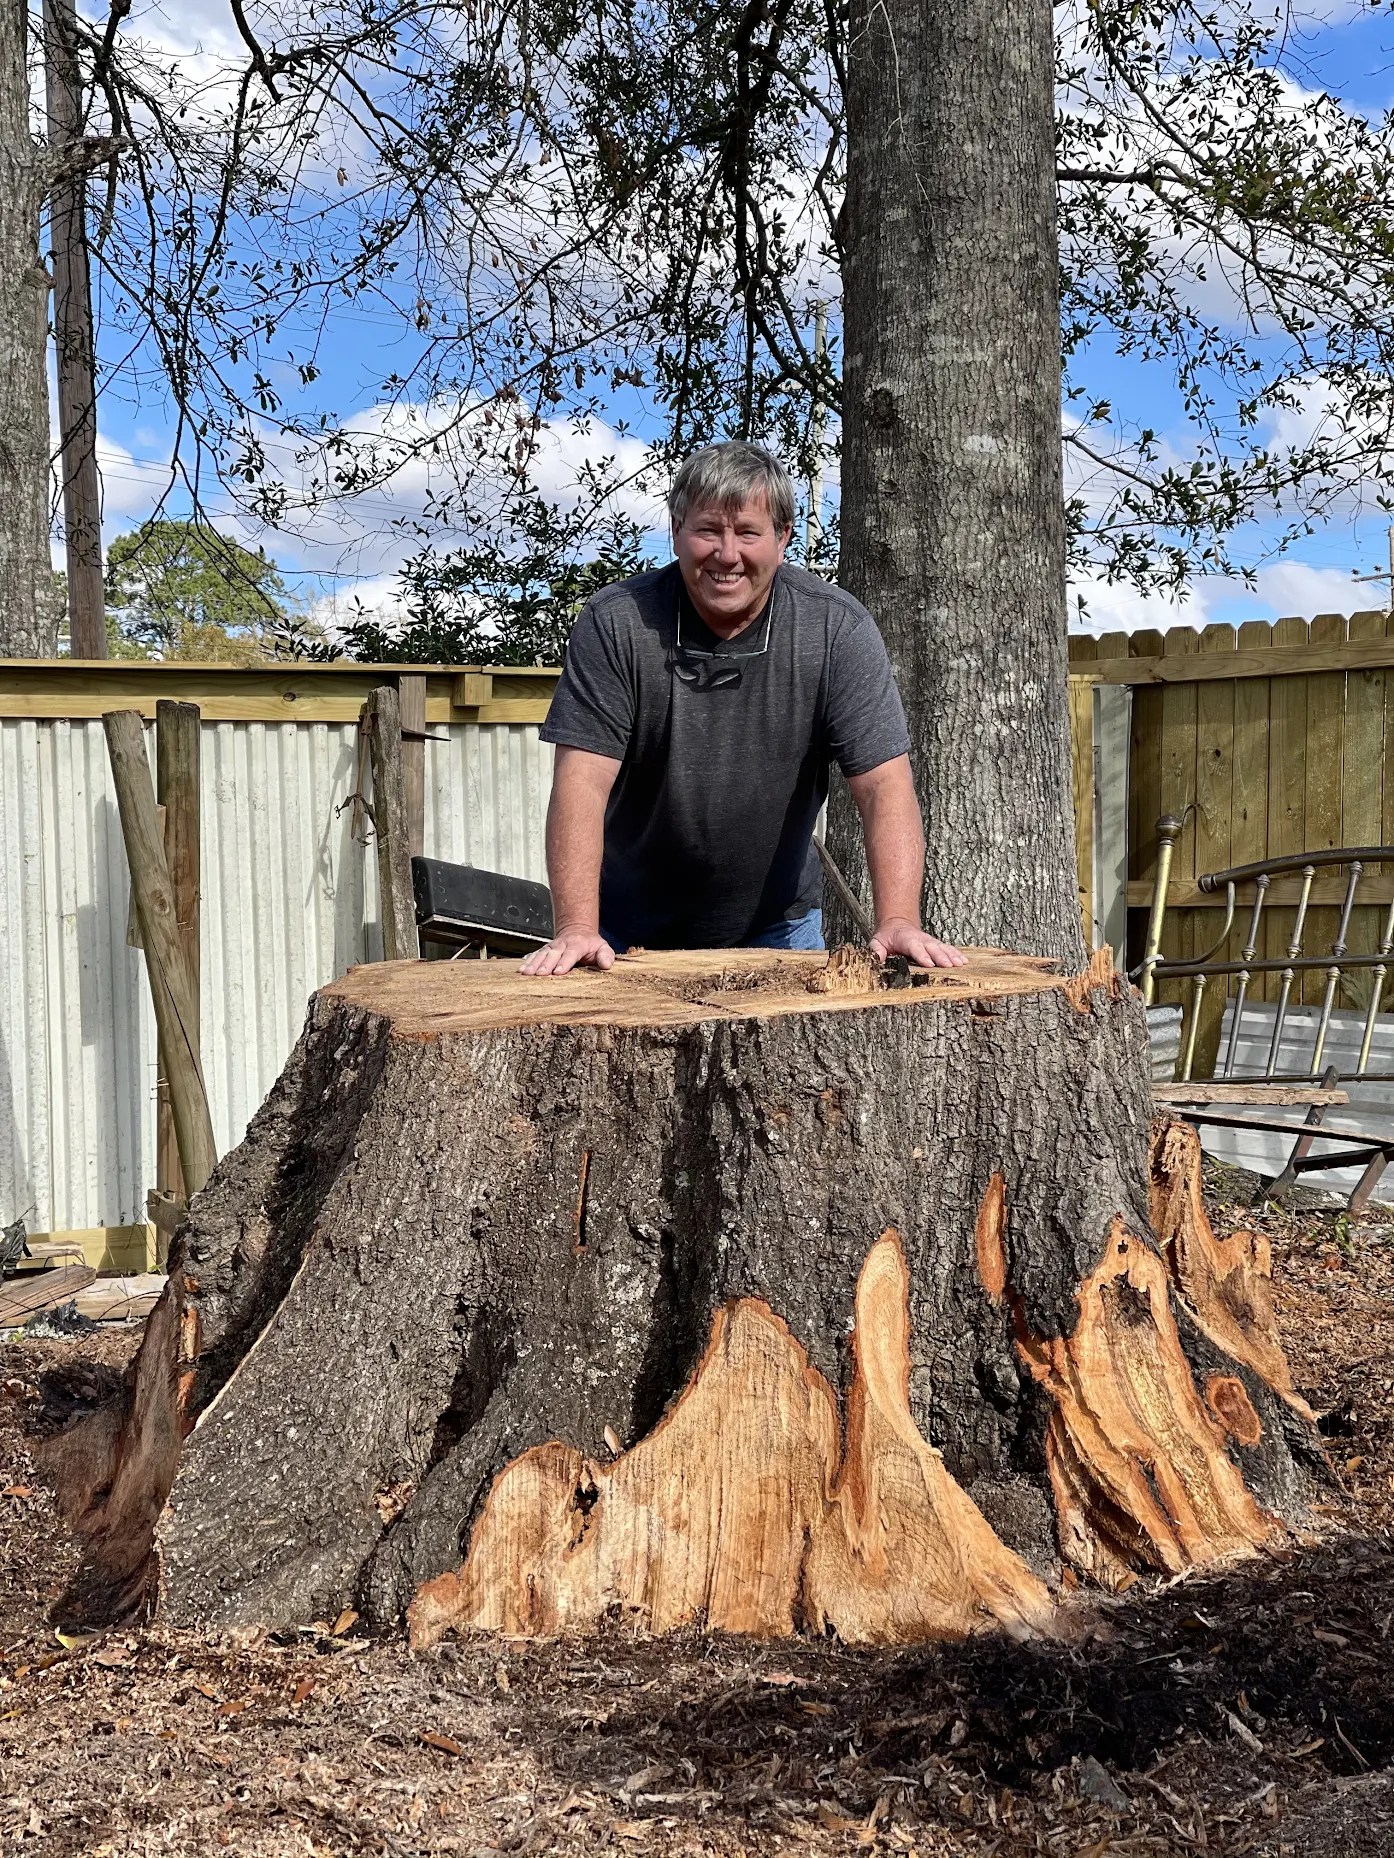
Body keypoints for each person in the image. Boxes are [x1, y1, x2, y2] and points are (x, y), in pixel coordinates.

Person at [520, 441, 965, 975]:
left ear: (782, 538)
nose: (727, 554)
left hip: (778, 929)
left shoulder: (836, 629)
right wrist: (575, 926)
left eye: (748, 533)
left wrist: (898, 919)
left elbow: (883, 785)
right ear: (677, 529)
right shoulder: (617, 623)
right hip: (620, 934)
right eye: (708, 529)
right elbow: (580, 782)